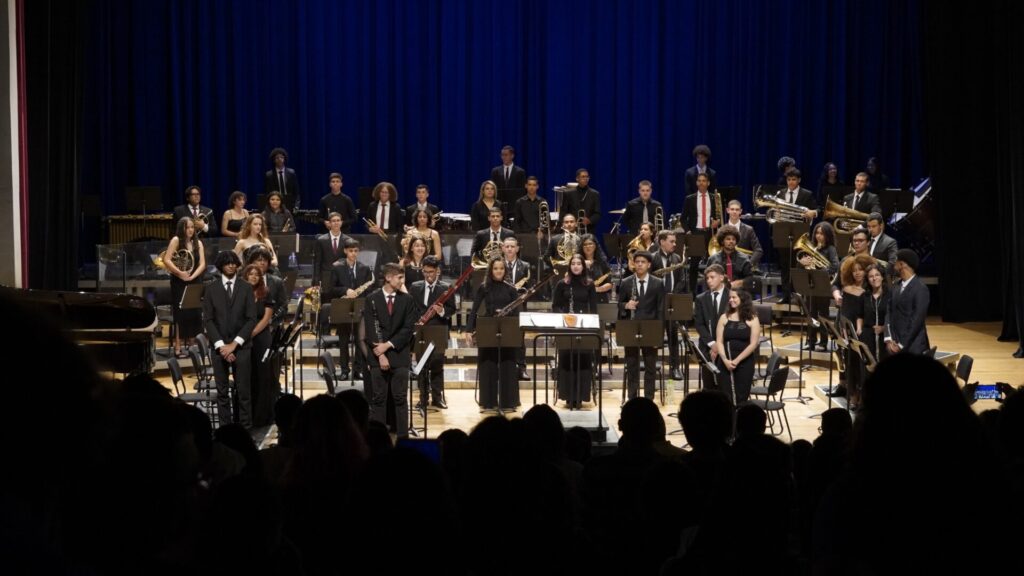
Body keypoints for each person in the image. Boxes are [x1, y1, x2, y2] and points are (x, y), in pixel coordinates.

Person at [202, 251, 259, 428]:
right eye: (227, 263)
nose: (231, 265)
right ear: (221, 266)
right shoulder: (211, 289)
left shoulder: (246, 288)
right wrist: (222, 347)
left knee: (244, 393)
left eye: (234, 263)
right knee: (222, 393)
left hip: (242, 347)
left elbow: (251, 319)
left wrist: (234, 344)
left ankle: (245, 430)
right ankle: (225, 431)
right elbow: (208, 320)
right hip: (219, 348)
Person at [359, 263, 415, 438]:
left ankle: (403, 439)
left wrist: (388, 345)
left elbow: (407, 329)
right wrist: (381, 354)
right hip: (377, 356)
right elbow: (371, 329)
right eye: (399, 277)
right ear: (388, 278)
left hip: (399, 355)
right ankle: (379, 439)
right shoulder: (372, 299)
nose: (402, 281)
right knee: (379, 399)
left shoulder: (407, 300)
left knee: (400, 398)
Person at [467, 258, 520, 411]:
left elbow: (516, 313)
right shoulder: (484, 287)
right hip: (488, 329)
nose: (498, 271)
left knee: (507, 365)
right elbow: (474, 309)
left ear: (505, 270)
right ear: (491, 270)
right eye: (495, 268)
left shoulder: (511, 288)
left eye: (501, 268)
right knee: (487, 365)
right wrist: (468, 330)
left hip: (507, 330)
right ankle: (488, 402)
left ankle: (508, 402)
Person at [409, 256, 455, 410]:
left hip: (438, 331)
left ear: (437, 271)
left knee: (437, 365)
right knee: (421, 365)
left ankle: (437, 398)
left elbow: (452, 309)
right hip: (421, 332)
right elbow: (411, 308)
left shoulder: (446, 288)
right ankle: (423, 399)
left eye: (431, 272)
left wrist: (442, 311)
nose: (428, 275)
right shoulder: (415, 287)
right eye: (425, 272)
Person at [552, 254, 598, 408]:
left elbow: (594, 308)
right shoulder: (562, 284)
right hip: (566, 327)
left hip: (584, 327)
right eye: (573, 264)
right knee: (566, 359)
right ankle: (567, 396)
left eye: (579, 263)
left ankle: (581, 396)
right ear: (569, 266)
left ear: (583, 267)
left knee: (583, 360)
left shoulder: (589, 284)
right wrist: (564, 318)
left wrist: (590, 324)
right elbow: (555, 306)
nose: (576, 266)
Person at [618, 251, 665, 399]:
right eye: (637, 261)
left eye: (643, 262)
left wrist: (659, 335)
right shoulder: (626, 282)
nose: (639, 264)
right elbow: (619, 304)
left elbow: (661, 310)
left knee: (650, 367)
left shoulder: (658, 283)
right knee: (632, 366)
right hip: (631, 329)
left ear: (649, 265)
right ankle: (632, 398)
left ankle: (649, 398)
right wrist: (626, 305)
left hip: (651, 329)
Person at [326, 238, 374, 380]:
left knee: (360, 340)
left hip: (360, 308)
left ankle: (358, 370)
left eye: (356, 251)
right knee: (343, 341)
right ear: (345, 251)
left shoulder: (364, 268)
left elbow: (369, 289)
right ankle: (344, 370)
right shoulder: (337, 267)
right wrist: (346, 290)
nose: (353, 253)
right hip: (343, 307)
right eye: (351, 251)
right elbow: (331, 289)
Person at [829, 253, 874, 401]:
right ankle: (853, 394)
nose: (857, 273)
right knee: (850, 363)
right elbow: (844, 313)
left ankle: (864, 397)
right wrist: (843, 329)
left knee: (862, 366)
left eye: (860, 270)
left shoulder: (869, 292)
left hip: (864, 332)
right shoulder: (847, 289)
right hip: (848, 332)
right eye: (854, 270)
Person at [240, 264, 277, 427]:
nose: (253, 276)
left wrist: (251, 333)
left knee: (263, 375)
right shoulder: (239, 293)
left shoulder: (266, 292)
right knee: (248, 376)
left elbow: (266, 318)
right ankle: (247, 415)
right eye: (251, 274)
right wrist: (244, 335)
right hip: (243, 338)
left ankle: (262, 416)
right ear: (246, 276)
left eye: (256, 274)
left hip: (261, 338)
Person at [164, 217, 206, 358]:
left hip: (195, 279)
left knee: (195, 312)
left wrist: (193, 276)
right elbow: (167, 259)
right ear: (181, 228)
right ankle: (178, 347)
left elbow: (202, 264)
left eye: (192, 227)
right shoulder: (176, 240)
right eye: (187, 227)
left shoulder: (198, 242)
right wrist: (180, 273)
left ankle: (193, 346)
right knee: (181, 314)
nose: (190, 230)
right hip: (179, 281)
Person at [774, 168, 818, 301]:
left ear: (799, 180)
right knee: (785, 266)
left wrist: (813, 212)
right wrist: (776, 214)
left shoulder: (807, 194)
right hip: (783, 233)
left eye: (794, 179)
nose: (791, 182)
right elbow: (775, 210)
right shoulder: (780, 193)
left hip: (800, 234)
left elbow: (817, 209)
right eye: (789, 179)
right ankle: (786, 295)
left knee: (799, 265)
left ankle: (799, 295)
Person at [797, 221, 840, 351]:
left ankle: (823, 342)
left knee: (823, 315)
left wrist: (820, 270)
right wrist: (802, 263)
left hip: (823, 286)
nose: (818, 236)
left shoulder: (831, 249)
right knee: (811, 315)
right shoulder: (811, 248)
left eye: (822, 233)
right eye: (817, 233)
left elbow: (835, 266)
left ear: (827, 235)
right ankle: (811, 341)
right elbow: (802, 267)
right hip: (811, 286)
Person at [715, 289, 761, 404]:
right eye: (730, 298)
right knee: (725, 397)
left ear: (742, 298)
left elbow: (753, 344)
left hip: (744, 363)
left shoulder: (753, 318)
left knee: (741, 396)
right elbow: (719, 342)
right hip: (725, 363)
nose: (731, 300)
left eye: (734, 297)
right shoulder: (724, 318)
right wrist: (725, 360)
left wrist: (736, 361)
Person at [652, 229, 685, 380]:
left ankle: (675, 367)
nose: (674, 244)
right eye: (671, 241)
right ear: (662, 242)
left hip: (671, 302)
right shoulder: (653, 258)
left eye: (675, 241)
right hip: (657, 302)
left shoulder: (677, 258)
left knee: (673, 336)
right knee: (654, 336)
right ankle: (652, 366)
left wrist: (673, 294)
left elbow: (681, 280)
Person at [886, 249, 930, 355]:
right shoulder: (895, 286)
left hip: (913, 346)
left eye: (896, 262)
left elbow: (916, 320)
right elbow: (889, 312)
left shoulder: (920, 288)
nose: (893, 265)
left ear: (902, 264)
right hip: (893, 345)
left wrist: (901, 344)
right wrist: (888, 338)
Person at [682, 172, 720, 292]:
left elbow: (719, 216)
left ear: (708, 183)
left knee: (712, 265)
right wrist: (688, 231)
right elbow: (683, 218)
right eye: (699, 180)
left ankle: (711, 292)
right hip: (696, 234)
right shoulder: (690, 199)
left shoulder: (714, 198)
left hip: (710, 234)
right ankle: (692, 294)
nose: (701, 183)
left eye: (704, 181)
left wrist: (717, 222)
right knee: (694, 265)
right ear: (696, 183)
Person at [694, 264, 729, 392]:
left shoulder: (732, 297)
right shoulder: (701, 299)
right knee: (708, 387)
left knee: (725, 386)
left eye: (712, 277)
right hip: (707, 347)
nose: (709, 281)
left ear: (721, 277)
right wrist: (712, 344)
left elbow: (733, 323)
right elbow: (699, 324)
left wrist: (719, 345)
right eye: (707, 278)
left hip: (727, 347)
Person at [706, 225, 753, 290]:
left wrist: (739, 283)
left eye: (733, 239)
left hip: (738, 293)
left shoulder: (744, 259)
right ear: (722, 241)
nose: (731, 241)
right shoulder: (712, 259)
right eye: (728, 239)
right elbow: (707, 279)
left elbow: (750, 279)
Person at [861, 264, 891, 364]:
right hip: (868, 338)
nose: (874, 278)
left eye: (877, 275)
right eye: (871, 276)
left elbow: (895, 318)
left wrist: (883, 328)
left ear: (882, 277)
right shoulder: (864, 296)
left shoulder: (890, 295)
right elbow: (860, 315)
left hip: (885, 338)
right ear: (867, 280)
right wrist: (859, 330)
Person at [558, 168, 601, 234]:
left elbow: (597, 213)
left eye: (587, 177)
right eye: (583, 177)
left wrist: (589, 220)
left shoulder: (595, 194)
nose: (586, 179)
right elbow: (563, 212)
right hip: (571, 229)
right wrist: (567, 223)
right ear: (577, 178)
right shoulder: (568, 193)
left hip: (588, 229)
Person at [314, 212, 351, 287]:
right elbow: (317, 262)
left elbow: (350, 259)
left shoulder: (348, 240)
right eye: (333, 221)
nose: (336, 223)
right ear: (329, 223)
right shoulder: (321, 240)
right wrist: (316, 280)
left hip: (342, 278)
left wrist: (341, 261)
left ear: (341, 222)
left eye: (338, 220)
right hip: (326, 278)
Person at [724, 199, 764, 268]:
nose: (734, 212)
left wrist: (748, 264)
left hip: (743, 266)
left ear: (740, 211)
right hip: (726, 266)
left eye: (737, 210)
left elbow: (758, 250)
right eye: (732, 209)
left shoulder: (749, 229)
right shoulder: (722, 229)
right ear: (728, 210)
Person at [578, 233, 613, 302]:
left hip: (600, 298)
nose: (588, 246)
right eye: (585, 244)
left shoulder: (602, 262)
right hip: (581, 299)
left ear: (595, 246)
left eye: (590, 244)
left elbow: (609, 283)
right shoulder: (576, 262)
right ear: (581, 247)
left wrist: (597, 289)